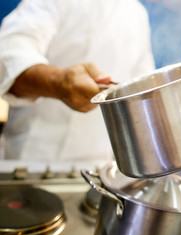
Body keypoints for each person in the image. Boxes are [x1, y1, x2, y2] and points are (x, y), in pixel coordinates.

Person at [0, 0, 155, 162]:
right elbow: (10, 52)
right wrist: (59, 82)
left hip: (99, 166)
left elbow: (144, 87)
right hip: (30, 159)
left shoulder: (137, 14)